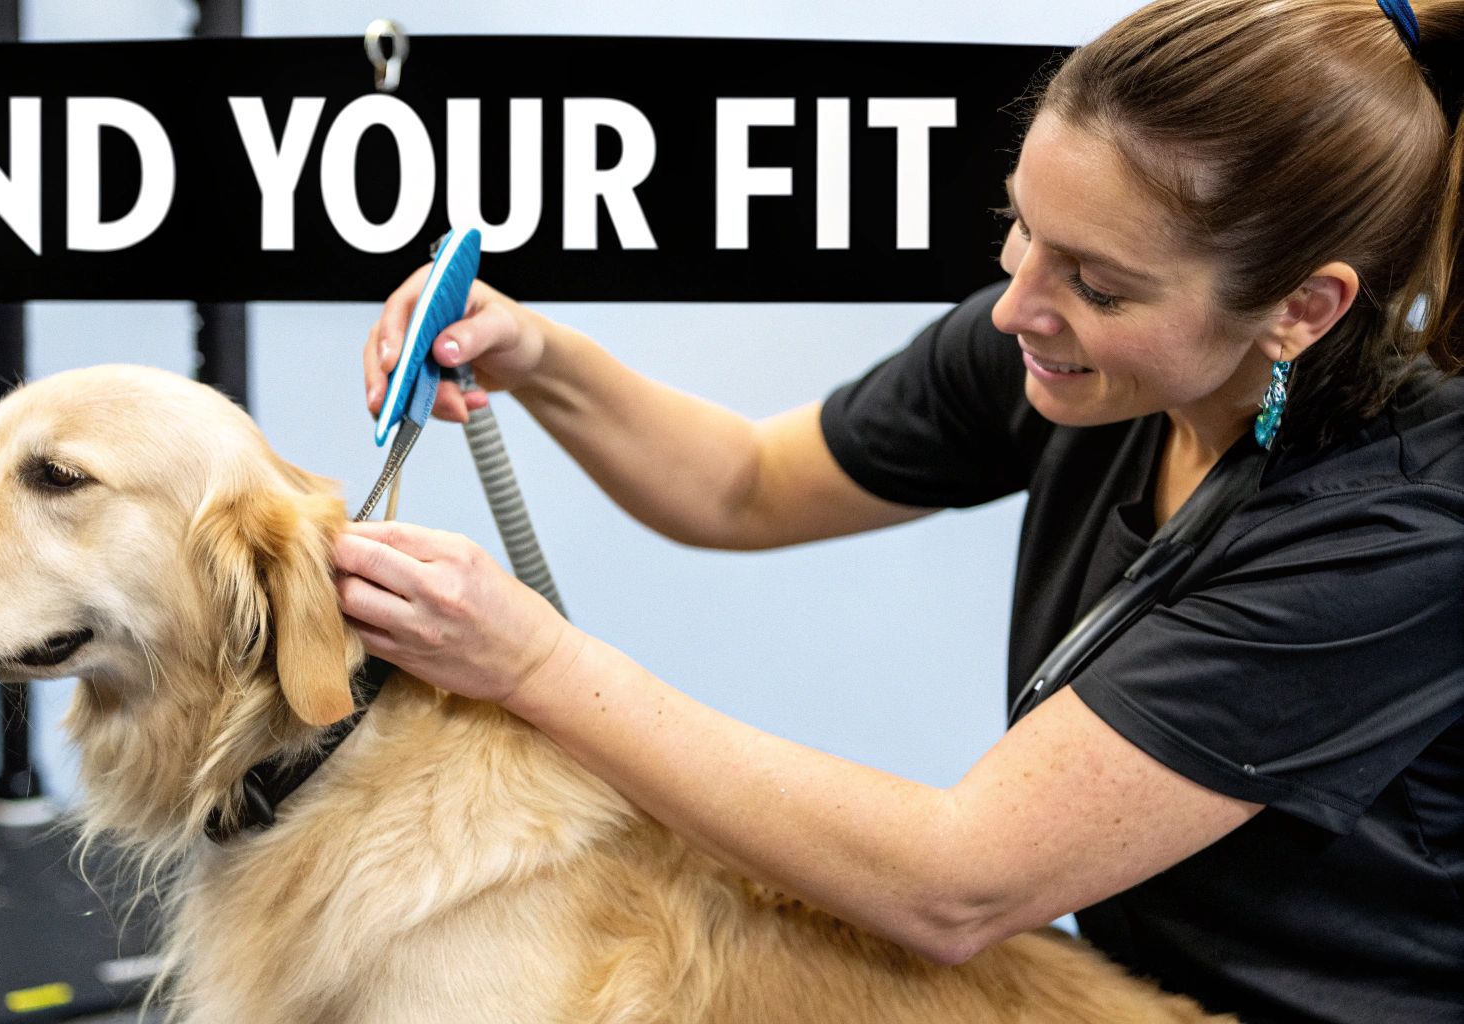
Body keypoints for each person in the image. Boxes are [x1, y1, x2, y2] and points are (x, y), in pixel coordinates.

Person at [330, 1, 1464, 1021]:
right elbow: (740, 483)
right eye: (1020, 227)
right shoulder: (1077, 357)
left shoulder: (1398, 532)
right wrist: (539, 357)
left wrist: (528, 662)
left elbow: (954, 881)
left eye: (1097, 285)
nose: (1016, 305)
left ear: (1299, 309)